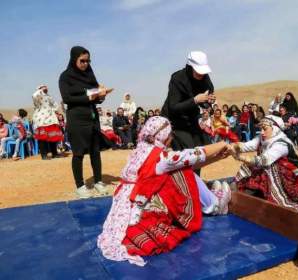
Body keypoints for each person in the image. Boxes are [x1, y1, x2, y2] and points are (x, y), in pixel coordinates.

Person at [97, 116, 231, 265]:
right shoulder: (161, 157)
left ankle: (210, 200)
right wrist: (224, 144)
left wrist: (218, 157)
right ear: (165, 137)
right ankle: (214, 205)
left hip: (126, 204)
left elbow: (189, 160)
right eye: (170, 134)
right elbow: (195, 155)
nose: (171, 138)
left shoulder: (140, 150)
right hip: (140, 207)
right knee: (183, 171)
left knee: (181, 166)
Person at [228, 115, 298, 210]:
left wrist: (239, 157)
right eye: (261, 129)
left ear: (275, 129)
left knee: (270, 167)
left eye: (265, 129)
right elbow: (247, 146)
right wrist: (233, 146)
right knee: (251, 165)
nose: (262, 132)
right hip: (270, 171)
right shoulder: (263, 137)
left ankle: (260, 192)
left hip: (290, 178)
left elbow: (265, 160)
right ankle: (251, 189)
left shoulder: (281, 143)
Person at [59, 46, 112, 198]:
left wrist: (102, 94)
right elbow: (67, 99)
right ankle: (80, 185)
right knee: (78, 153)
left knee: (95, 151)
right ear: (74, 59)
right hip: (76, 118)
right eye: (82, 61)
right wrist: (88, 98)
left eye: (88, 61)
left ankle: (98, 181)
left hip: (92, 116)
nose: (85, 64)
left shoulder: (89, 75)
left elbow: (97, 97)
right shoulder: (65, 77)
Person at [161, 51, 215, 154]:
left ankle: (194, 171)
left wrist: (207, 102)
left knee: (201, 149)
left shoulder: (205, 77)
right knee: (189, 151)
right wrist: (195, 100)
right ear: (190, 67)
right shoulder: (177, 78)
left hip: (192, 118)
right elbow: (173, 107)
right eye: (198, 71)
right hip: (175, 121)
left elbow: (207, 95)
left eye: (203, 72)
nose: (201, 74)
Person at [32, 85, 64, 160]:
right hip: (41, 119)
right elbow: (34, 96)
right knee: (42, 137)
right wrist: (40, 90)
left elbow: (55, 105)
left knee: (52, 136)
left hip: (51, 118)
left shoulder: (49, 96)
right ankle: (44, 155)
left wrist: (53, 110)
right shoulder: (37, 96)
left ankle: (54, 153)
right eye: (43, 87)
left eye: (46, 87)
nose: (45, 88)